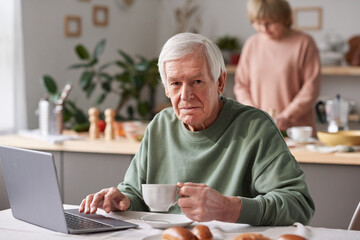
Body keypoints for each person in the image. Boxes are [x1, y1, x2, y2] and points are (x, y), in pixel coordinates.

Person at [79, 32, 315, 226]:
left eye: (197, 81)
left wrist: (230, 208)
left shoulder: (255, 127)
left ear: (220, 82)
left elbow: (298, 204)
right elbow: (135, 193)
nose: (186, 95)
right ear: (166, 90)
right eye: (175, 83)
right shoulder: (160, 125)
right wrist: (122, 200)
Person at [234, 0, 321, 135]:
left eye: (270, 22)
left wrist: (286, 117)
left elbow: (310, 88)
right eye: (257, 22)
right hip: (258, 130)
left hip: (296, 131)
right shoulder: (252, 44)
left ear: (284, 18)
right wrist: (254, 113)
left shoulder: (304, 43)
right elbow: (241, 85)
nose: (263, 28)